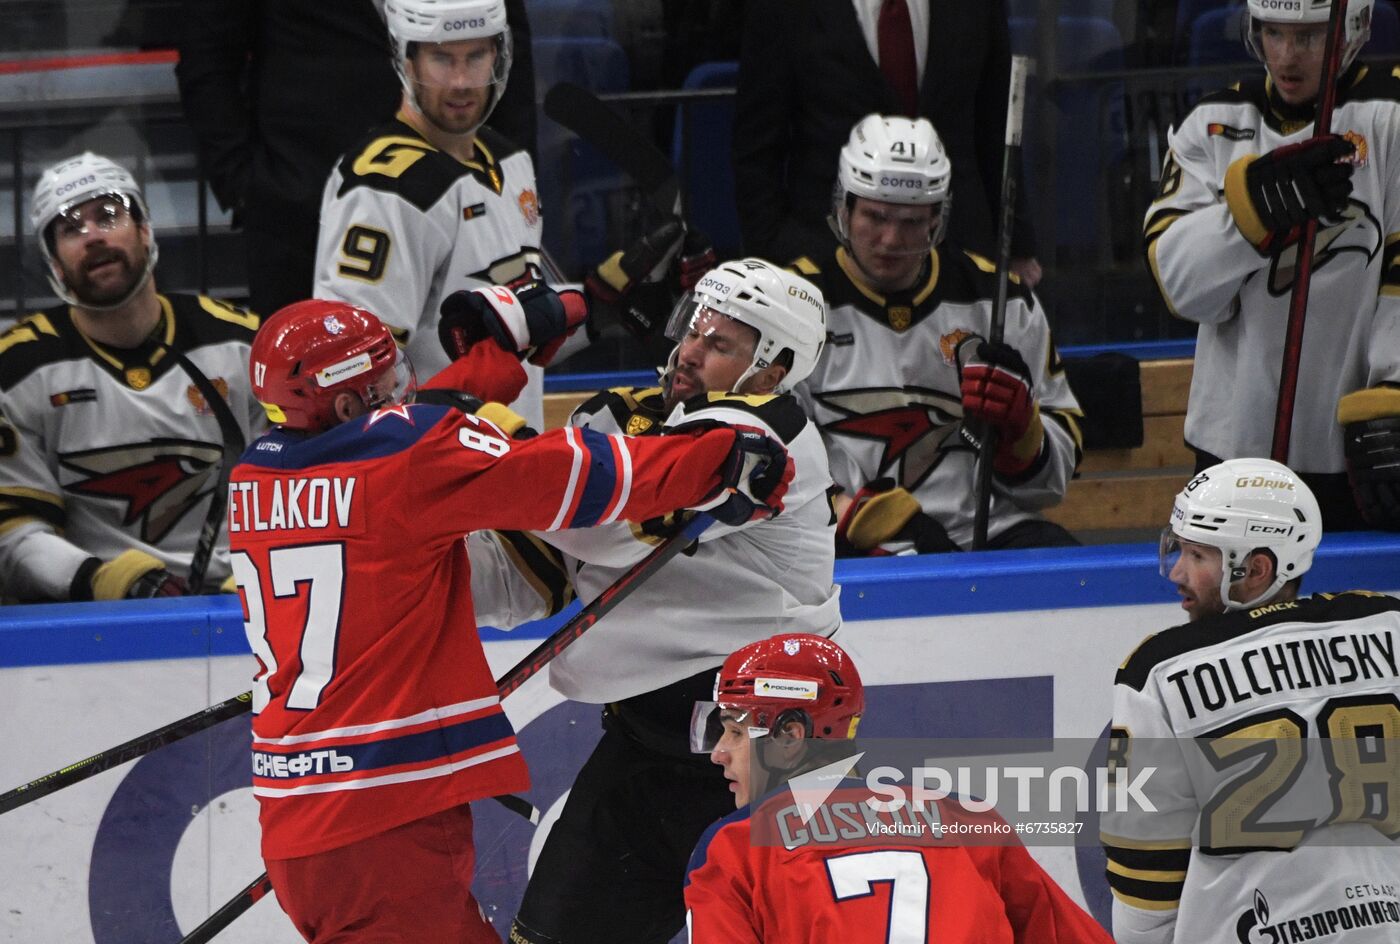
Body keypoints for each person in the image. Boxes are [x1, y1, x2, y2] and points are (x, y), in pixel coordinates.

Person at [230, 295, 794, 943]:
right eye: (384, 387)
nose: (403, 393)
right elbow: (565, 475)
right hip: (385, 816)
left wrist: (497, 361)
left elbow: (412, 423)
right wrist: (717, 463)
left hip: (300, 819)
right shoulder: (403, 458)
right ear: (351, 406)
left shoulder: (256, 476)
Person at [475, 259, 841, 944]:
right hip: (644, 749)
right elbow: (545, 566)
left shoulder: (766, 437)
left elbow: (603, 518)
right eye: (694, 329)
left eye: (722, 344)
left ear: (770, 370)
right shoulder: (648, 422)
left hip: (763, 764)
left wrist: (484, 437)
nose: (691, 351)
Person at [1101, 458, 1400, 944]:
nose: (1177, 571)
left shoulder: (1159, 669)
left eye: (1198, 556)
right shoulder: (1389, 624)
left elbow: (1143, 864)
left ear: (1257, 569)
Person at [1142, 0, 1400, 531]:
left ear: (1355, 30)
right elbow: (1181, 286)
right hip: (1231, 457)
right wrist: (1252, 215)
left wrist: (1396, 389)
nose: (1286, 56)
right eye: (1273, 34)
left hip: (1357, 454)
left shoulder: (1391, 117)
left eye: (1308, 38)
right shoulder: (1211, 125)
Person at [684, 632, 1116, 942]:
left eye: (735, 734)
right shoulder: (967, 819)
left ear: (790, 737)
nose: (719, 753)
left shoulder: (732, 845)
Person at [793, 114, 1082, 554]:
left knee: (1065, 573)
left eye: (911, 222)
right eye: (875, 216)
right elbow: (772, 455)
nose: (890, 239)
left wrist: (1022, 433)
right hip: (852, 534)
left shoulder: (999, 298)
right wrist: (856, 520)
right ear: (844, 207)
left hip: (988, 532)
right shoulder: (793, 304)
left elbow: (1052, 485)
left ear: (936, 219)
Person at [0, 152, 264, 602]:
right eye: (70, 228)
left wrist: (261, 569)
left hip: (242, 597)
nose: (93, 237)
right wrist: (105, 581)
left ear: (145, 230)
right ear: (54, 264)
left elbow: (293, 487)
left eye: (108, 215)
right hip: (98, 618)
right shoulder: (16, 369)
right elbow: (14, 532)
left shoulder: (244, 343)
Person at [174, 0, 537, 319]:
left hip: (466, 190)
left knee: (496, 350)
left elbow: (510, 45)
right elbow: (207, 54)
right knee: (316, 381)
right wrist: (246, 188)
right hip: (300, 208)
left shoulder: (504, 159)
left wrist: (513, 182)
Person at [313, 0, 553, 426]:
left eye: (475, 56)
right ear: (406, 58)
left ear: (498, 54)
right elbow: (348, 375)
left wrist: (601, 301)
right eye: (442, 59)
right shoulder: (385, 188)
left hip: (511, 458)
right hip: (430, 469)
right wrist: (473, 385)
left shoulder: (511, 161)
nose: (461, 81)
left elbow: (529, 339)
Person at [734, 0, 1040, 285]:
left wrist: (1017, 245)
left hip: (961, 254)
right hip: (821, 260)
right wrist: (769, 257)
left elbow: (997, 123)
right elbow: (757, 145)